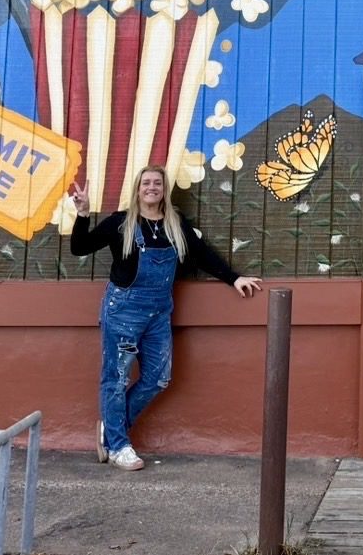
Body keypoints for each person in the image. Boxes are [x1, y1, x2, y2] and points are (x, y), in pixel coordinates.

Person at [70, 165, 262, 471]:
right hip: (123, 310)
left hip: (159, 312)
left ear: (164, 189)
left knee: (158, 379)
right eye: (145, 182)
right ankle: (119, 446)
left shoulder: (175, 224)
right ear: (137, 189)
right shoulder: (121, 222)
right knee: (116, 378)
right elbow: (79, 248)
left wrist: (233, 278)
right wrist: (82, 214)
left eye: (157, 183)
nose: (151, 187)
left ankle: (111, 428)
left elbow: (202, 254)